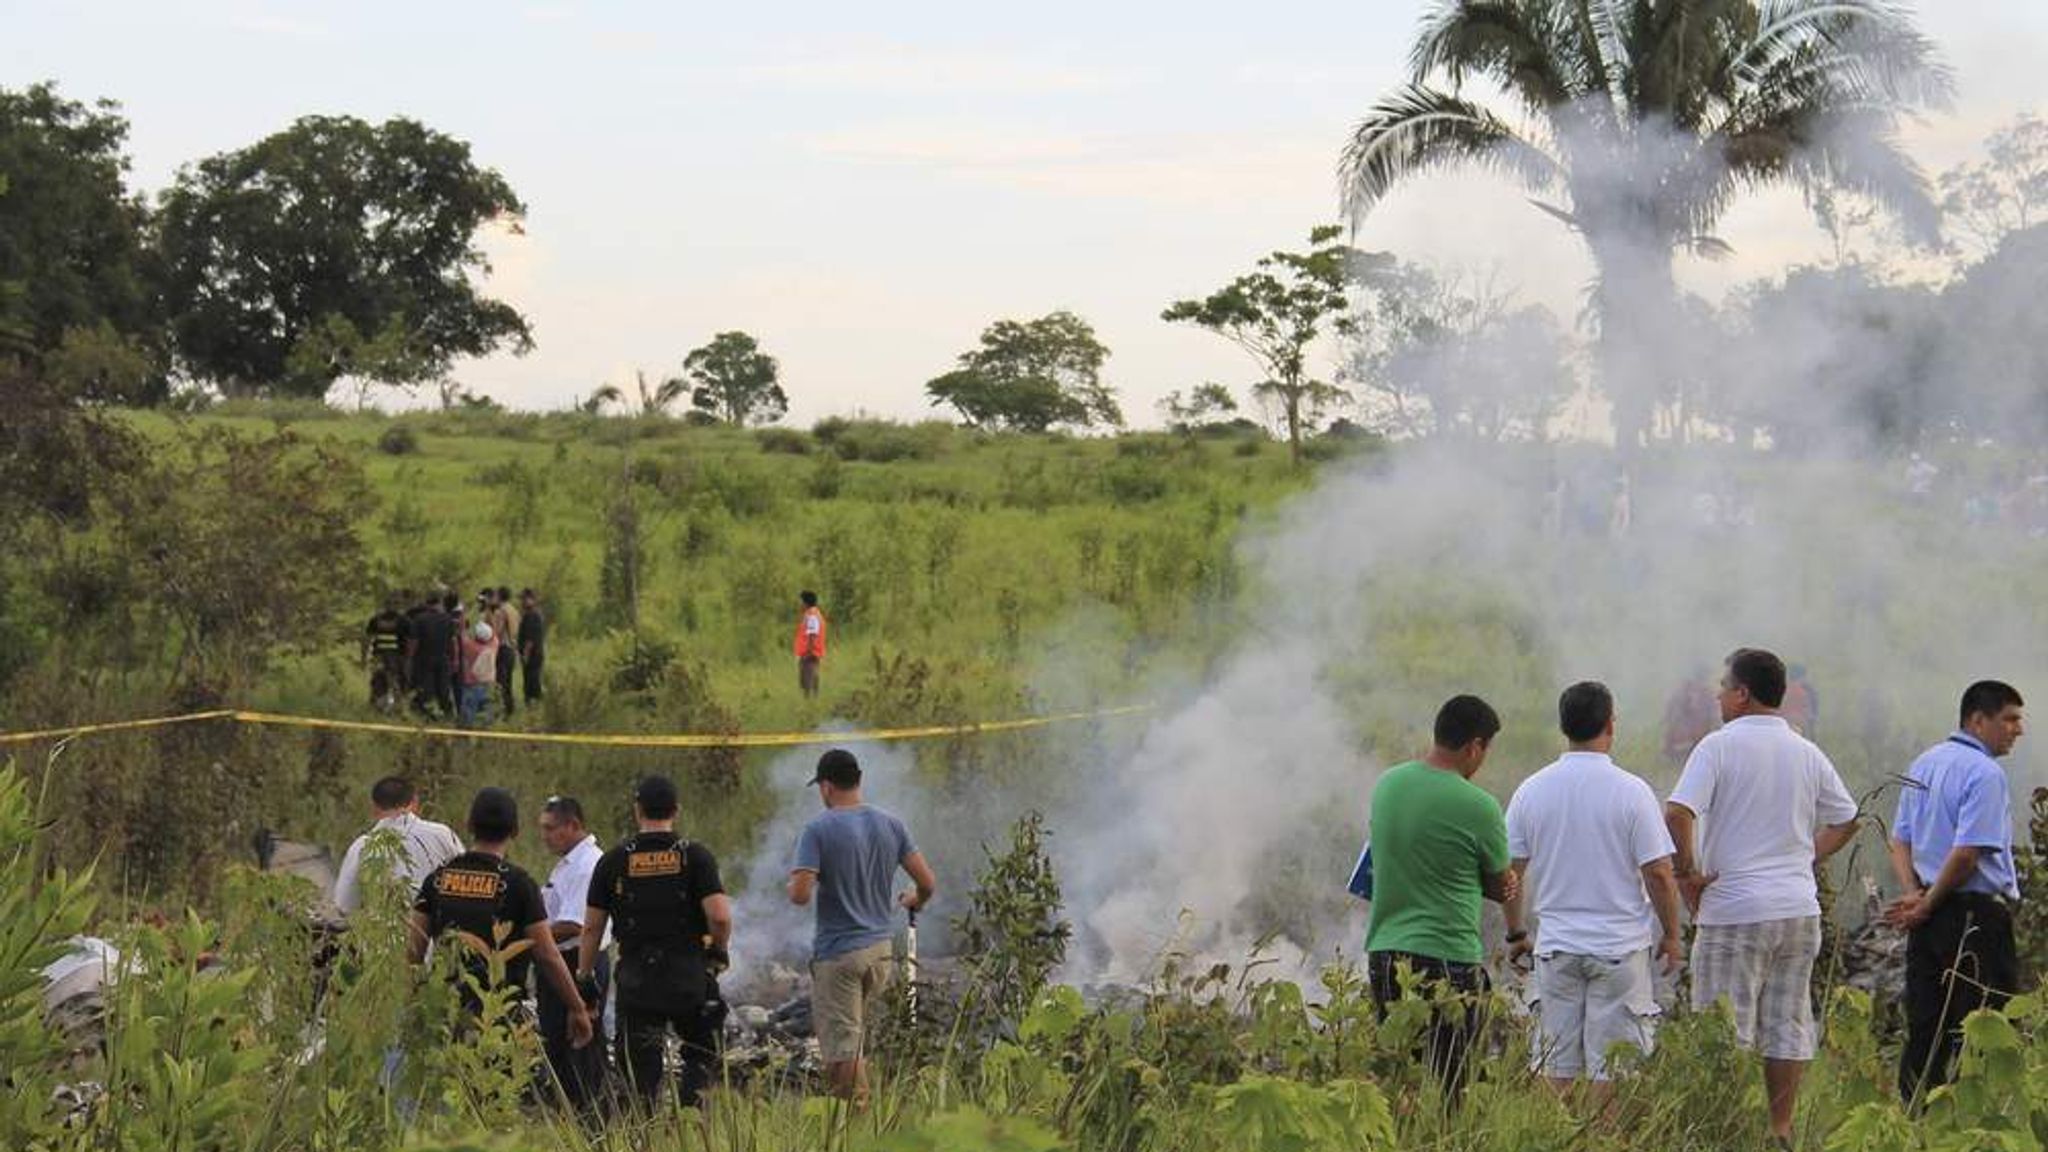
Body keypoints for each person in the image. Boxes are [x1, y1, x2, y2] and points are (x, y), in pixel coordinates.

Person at [1666, 647, 1861, 1147]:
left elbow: (1678, 813)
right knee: (1787, 1022)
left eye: (1723, 687)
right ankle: (1779, 1130)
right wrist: (1803, 859)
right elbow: (1847, 819)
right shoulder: (1805, 750)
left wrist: (1688, 873)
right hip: (1797, 911)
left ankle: (1722, 1128)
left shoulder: (1717, 747)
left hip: (1735, 909)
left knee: (1722, 1025)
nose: (1717, 695)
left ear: (1742, 693)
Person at [1505, 682, 1683, 1100]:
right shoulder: (1632, 791)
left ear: (1563, 726)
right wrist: (1673, 934)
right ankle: (1607, 1134)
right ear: (1610, 724)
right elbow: (1659, 873)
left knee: (1554, 1060)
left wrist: (1516, 933)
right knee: (1613, 1066)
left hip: (1557, 948)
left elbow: (1510, 872)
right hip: (1619, 948)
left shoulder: (1532, 789)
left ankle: (1551, 1133)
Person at [1362, 694, 1517, 1106]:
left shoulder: (1388, 784)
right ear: (1475, 746)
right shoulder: (1480, 806)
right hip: (1447, 958)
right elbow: (1500, 886)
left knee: (1399, 1082)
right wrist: (1505, 883)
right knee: (1455, 1088)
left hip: (1385, 954)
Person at [1885, 680, 2026, 1106]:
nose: (2018, 730)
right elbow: (1966, 854)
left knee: (1927, 1027)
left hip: (1929, 915)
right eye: (2010, 719)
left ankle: (1915, 1117)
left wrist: (1915, 895)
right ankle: (1975, 1120)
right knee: (1985, 1027)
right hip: (1973, 918)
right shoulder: (1985, 773)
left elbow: (1900, 840)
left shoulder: (1925, 763)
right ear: (1978, 720)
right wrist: (1924, 903)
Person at [787, 749, 937, 1108]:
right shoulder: (891, 824)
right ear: (858, 780)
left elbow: (800, 895)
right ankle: (847, 1118)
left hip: (840, 955)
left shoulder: (817, 830)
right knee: (852, 1042)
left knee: (843, 1052)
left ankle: (859, 1124)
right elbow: (927, 882)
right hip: (880, 952)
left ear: (826, 786)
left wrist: (798, 880)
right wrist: (916, 900)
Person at [580, 776, 733, 1111]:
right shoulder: (695, 856)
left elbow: (591, 928)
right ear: (675, 810)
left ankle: (644, 1130)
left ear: (637, 811)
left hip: (637, 981)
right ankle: (694, 1125)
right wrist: (717, 952)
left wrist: (584, 975)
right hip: (688, 976)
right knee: (701, 1054)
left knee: (639, 1072)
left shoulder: (614, 861)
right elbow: (720, 917)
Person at [408, 788, 593, 1050]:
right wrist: (577, 1007)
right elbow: (547, 955)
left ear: (469, 825)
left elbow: (413, 952)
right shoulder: (518, 884)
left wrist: (414, 1005)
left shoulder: (437, 880)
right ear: (515, 831)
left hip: (446, 1015)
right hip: (499, 1019)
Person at [537, 795, 608, 1109]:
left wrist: (532, 937)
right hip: (560, 957)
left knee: (578, 1044)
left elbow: (575, 925)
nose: (545, 836)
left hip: (578, 961)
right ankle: (567, 1109)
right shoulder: (568, 864)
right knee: (558, 1040)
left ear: (574, 825)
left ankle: (586, 1115)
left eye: (551, 828)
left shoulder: (586, 866)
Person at [333, 776, 465, 917]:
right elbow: (467, 880)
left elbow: (344, 905)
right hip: (441, 925)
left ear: (374, 808)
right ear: (414, 802)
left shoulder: (362, 846)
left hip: (386, 928)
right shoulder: (442, 834)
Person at [408, 591, 457, 718]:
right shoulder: (448, 619)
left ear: (426, 603)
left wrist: (410, 658)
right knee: (443, 689)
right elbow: (453, 642)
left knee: (426, 688)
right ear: (439, 603)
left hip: (424, 659)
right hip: (443, 658)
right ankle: (447, 715)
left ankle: (427, 715)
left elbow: (414, 642)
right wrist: (454, 659)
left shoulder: (419, 619)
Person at [363, 594, 411, 712]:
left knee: (379, 681)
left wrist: (364, 657)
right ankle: (396, 708)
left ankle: (377, 705)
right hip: (397, 657)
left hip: (379, 656)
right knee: (396, 682)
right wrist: (408, 658)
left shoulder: (376, 620)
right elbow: (410, 641)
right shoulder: (404, 621)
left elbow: (367, 640)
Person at [457, 620, 498, 728]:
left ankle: (466, 729)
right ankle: (486, 729)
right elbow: (494, 635)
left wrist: (462, 623)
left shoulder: (469, 646)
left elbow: (462, 634)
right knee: (487, 710)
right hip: (489, 682)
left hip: (472, 683)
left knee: (469, 710)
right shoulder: (494, 646)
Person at [492, 585, 519, 719]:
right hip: (512, 649)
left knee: (500, 682)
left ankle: (500, 712)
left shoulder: (501, 611)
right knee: (508, 682)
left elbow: (498, 631)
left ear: (499, 596)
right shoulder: (514, 610)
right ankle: (510, 710)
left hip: (502, 648)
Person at [794, 591, 827, 699]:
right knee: (812, 676)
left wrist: (808, 652)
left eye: (801, 602)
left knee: (808, 679)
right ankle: (813, 700)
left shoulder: (812, 615)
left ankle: (809, 701)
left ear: (806, 603)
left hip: (809, 653)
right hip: (812, 652)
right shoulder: (813, 614)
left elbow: (812, 634)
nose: (800, 604)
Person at [518, 589, 547, 705]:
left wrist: (525, 654)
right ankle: (533, 706)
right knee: (531, 681)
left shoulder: (531, 615)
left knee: (532, 683)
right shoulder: (533, 614)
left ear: (532, 600)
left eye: (525, 599)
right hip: (534, 654)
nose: (522, 602)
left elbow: (530, 639)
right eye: (522, 599)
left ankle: (535, 707)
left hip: (532, 656)